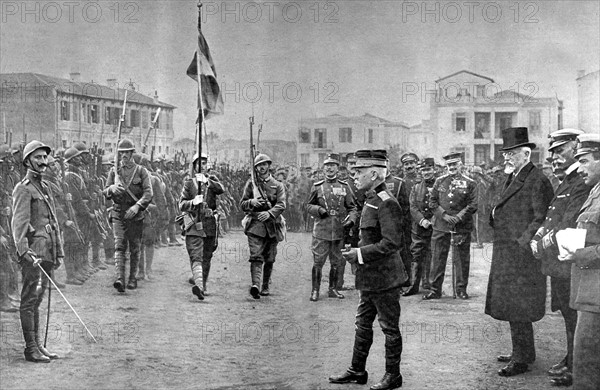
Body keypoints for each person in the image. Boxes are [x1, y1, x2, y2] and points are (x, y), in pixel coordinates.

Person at [330, 149, 408, 390]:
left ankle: (393, 375)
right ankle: (357, 370)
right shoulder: (371, 199)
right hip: (371, 276)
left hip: (385, 279)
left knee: (389, 327)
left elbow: (392, 243)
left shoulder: (386, 202)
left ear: (374, 173)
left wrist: (359, 254)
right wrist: (356, 248)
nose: (354, 176)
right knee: (363, 324)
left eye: (359, 171)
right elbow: (371, 236)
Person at [486, 127, 553, 376]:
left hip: (522, 256)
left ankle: (522, 358)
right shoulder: (513, 176)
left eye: (511, 153)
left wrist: (523, 244)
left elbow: (542, 217)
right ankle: (521, 351)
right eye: (505, 153)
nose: (506, 158)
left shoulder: (536, 180)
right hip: (508, 253)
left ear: (526, 153)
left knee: (519, 305)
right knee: (512, 305)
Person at [530, 129, 590, 387]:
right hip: (557, 260)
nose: (555, 157)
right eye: (552, 152)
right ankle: (570, 359)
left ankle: (575, 365)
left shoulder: (580, 180)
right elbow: (552, 214)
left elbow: (569, 220)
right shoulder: (567, 179)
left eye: (560, 150)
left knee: (574, 314)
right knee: (566, 312)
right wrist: (538, 235)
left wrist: (544, 241)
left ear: (576, 146)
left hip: (568, 257)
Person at [11, 141, 64, 362]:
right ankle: (30, 348)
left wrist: (58, 250)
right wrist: (25, 252)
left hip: (48, 250)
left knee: (38, 298)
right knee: (30, 299)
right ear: (27, 161)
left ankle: (39, 345)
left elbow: (53, 221)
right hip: (34, 254)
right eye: (38, 158)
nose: (43, 162)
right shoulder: (23, 188)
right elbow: (18, 225)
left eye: (45, 158)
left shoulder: (46, 187)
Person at [558, 133, 600, 390]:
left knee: (586, 368)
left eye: (584, 161)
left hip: (597, 296)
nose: (579, 168)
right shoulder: (595, 189)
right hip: (589, 292)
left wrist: (580, 254)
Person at [424, 152, 477, 300]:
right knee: (437, 258)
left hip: (461, 226)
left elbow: (473, 204)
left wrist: (459, 217)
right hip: (441, 226)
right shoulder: (439, 181)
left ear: (461, 165)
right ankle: (434, 290)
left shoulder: (470, 183)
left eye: (454, 164)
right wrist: (444, 215)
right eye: (449, 165)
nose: (451, 167)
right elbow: (432, 202)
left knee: (461, 259)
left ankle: (461, 290)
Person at [102, 139, 153, 293]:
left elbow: (148, 193)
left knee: (135, 246)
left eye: (127, 152)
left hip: (135, 215)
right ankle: (120, 278)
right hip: (118, 212)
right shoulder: (114, 172)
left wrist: (138, 206)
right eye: (121, 152)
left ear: (132, 153)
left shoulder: (141, 171)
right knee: (119, 245)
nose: (124, 155)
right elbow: (104, 192)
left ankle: (132, 279)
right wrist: (112, 188)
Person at [305, 153, 357, 301]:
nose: (330, 169)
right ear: (323, 169)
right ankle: (315, 290)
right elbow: (308, 205)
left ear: (338, 168)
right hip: (321, 230)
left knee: (336, 261)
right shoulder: (317, 187)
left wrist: (351, 221)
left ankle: (332, 289)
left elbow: (353, 208)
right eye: (327, 166)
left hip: (338, 230)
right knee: (318, 262)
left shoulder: (344, 186)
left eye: (332, 166)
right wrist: (318, 210)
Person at [240, 153, 286, 299]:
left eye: (264, 164)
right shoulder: (251, 184)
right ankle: (256, 285)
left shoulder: (278, 185)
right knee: (256, 256)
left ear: (269, 166)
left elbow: (281, 204)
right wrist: (252, 203)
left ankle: (265, 285)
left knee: (270, 258)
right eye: (259, 165)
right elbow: (242, 204)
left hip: (272, 225)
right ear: (256, 167)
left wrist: (270, 213)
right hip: (255, 226)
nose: (262, 167)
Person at [180, 152, 224, 300]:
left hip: (209, 222)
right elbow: (181, 204)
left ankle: (202, 284)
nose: (202, 166)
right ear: (194, 166)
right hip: (194, 221)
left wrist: (206, 182)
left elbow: (221, 189)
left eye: (204, 163)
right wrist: (193, 202)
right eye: (199, 163)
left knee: (207, 255)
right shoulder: (189, 183)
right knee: (196, 254)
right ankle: (199, 286)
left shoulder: (212, 180)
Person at [403, 157, 437, 296]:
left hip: (436, 226)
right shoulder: (416, 187)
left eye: (428, 169)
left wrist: (434, 220)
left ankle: (429, 283)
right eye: (423, 170)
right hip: (418, 227)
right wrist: (422, 220)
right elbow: (413, 207)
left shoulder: (440, 185)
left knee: (433, 254)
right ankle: (413, 285)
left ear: (434, 169)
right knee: (416, 254)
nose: (426, 173)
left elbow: (444, 205)